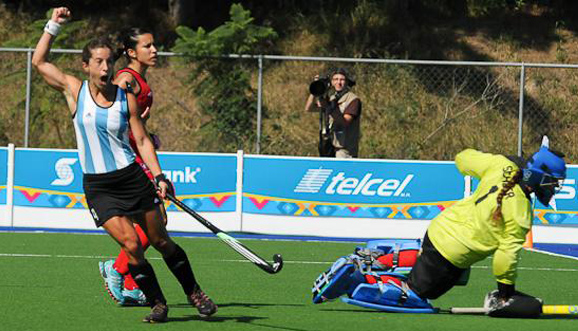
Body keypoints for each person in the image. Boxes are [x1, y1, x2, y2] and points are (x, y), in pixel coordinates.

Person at [32, 7, 217, 323]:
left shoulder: (124, 97)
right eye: (99, 62)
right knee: (132, 246)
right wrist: (53, 26)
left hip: (132, 178)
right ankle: (157, 303)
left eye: (109, 61)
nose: (106, 67)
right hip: (99, 187)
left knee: (160, 240)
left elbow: (143, 141)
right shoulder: (74, 91)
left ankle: (194, 292)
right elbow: (39, 62)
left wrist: (158, 175)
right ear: (86, 65)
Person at [312, 137, 566, 318]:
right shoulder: (521, 212)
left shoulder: (501, 166)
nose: (554, 188)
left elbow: (462, 158)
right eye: (553, 183)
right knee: (413, 296)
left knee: (432, 261)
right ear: (540, 178)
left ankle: (376, 260)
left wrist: (505, 160)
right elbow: (505, 259)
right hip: (452, 256)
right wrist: (506, 294)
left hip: (436, 232)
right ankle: (356, 280)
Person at [97, 27, 165, 307]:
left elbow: (131, 120)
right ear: (131, 52)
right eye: (147, 46)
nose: (154, 50)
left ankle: (128, 279)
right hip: (127, 159)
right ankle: (118, 269)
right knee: (155, 220)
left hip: (135, 152)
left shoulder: (138, 80)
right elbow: (110, 115)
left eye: (154, 45)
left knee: (150, 223)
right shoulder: (126, 79)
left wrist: (147, 133)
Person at [305, 68, 362, 158]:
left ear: (347, 82)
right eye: (335, 79)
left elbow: (345, 122)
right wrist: (316, 88)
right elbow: (309, 108)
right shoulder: (332, 98)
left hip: (345, 150)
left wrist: (328, 107)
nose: (338, 83)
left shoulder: (353, 100)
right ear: (331, 82)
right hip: (329, 147)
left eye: (342, 80)